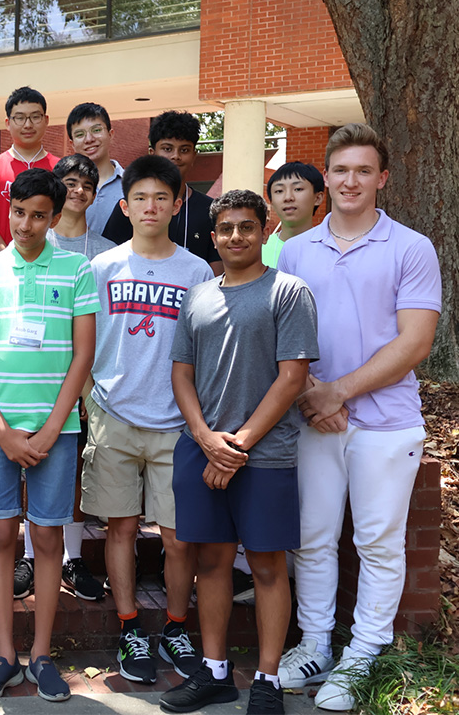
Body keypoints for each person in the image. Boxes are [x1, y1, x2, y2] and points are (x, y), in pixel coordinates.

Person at [277, 124, 441, 712]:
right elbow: (287, 339)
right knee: (314, 538)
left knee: (377, 543)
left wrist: (337, 392)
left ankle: (363, 654)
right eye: (341, 170)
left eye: (363, 170)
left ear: (382, 179)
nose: (351, 181)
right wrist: (313, 396)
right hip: (315, 421)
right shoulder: (296, 250)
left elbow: (414, 343)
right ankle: (316, 644)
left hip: (386, 424)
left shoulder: (411, 248)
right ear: (327, 177)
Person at [159, 189, 318, 715]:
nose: (235, 237)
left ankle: (268, 680)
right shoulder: (198, 295)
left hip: (265, 456)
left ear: (262, 228)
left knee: (269, 566)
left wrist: (238, 446)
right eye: (225, 228)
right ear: (213, 233)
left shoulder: (288, 292)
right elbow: (181, 373)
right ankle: (216, 673)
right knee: (212, 562)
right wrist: (206, 438)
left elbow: (293, 376)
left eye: (246, 227)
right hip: (200, 449)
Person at [0, 167, 96, 703]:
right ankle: (4, 655)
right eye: (18, 212)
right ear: (7, 208)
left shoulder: (77, 269)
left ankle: (41, 654)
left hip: (56, 433)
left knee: (45, 538)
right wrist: (2, 429)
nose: (26, 223)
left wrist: (51, 428)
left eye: (39, 214)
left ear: (56, 216)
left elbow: (83, 353)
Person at [83, 155, 213, 685]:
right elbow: (85, 343)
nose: (151, 206)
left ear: (177, 204)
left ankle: (177, 626)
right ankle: (131, 625)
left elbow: (203, 347)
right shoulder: (103, 267)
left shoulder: (197, 270)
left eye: (162, 197)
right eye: (141, 197)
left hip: (176, 422)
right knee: (120, 527)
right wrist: (91, 399)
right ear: (124, 205)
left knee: (180, 537)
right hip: (113, 415)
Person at [13, 154, 114, 603]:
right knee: (25, 468)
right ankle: (32, 557)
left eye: (86, 185)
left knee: (70, 471)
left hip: (90, 378)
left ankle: (70, 556)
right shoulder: (30, 239)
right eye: (69, 182)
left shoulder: (107, 251)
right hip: (33, 377)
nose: (78, 190)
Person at [102, 111, 222, 274]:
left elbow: (216, 278)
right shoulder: (133, 207)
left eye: (184, 150)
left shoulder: (210, 210)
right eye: (167, 148)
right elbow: (110, 261)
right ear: (153, 153)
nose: (175, 156)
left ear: (194, 156)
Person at [0, 87, 58, 251]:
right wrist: (7, 257)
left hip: (51, 263)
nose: (28, 124)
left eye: (35, 117)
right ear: (7, 123)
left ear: (46, 120)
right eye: (20, 118)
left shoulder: (60, 169)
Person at [65, 103, 124, 236]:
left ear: (111, 134)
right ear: (72, 144)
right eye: (80, 134)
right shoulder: (63, 187)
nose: (89, 139)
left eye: (96, 130)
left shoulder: (131, 185)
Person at [262, 161, 324, 267]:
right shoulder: (258, 249)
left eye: (298, 189)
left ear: (317, 198)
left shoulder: (329, 248)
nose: (288, 197)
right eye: (279, 191)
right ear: (271, 202)